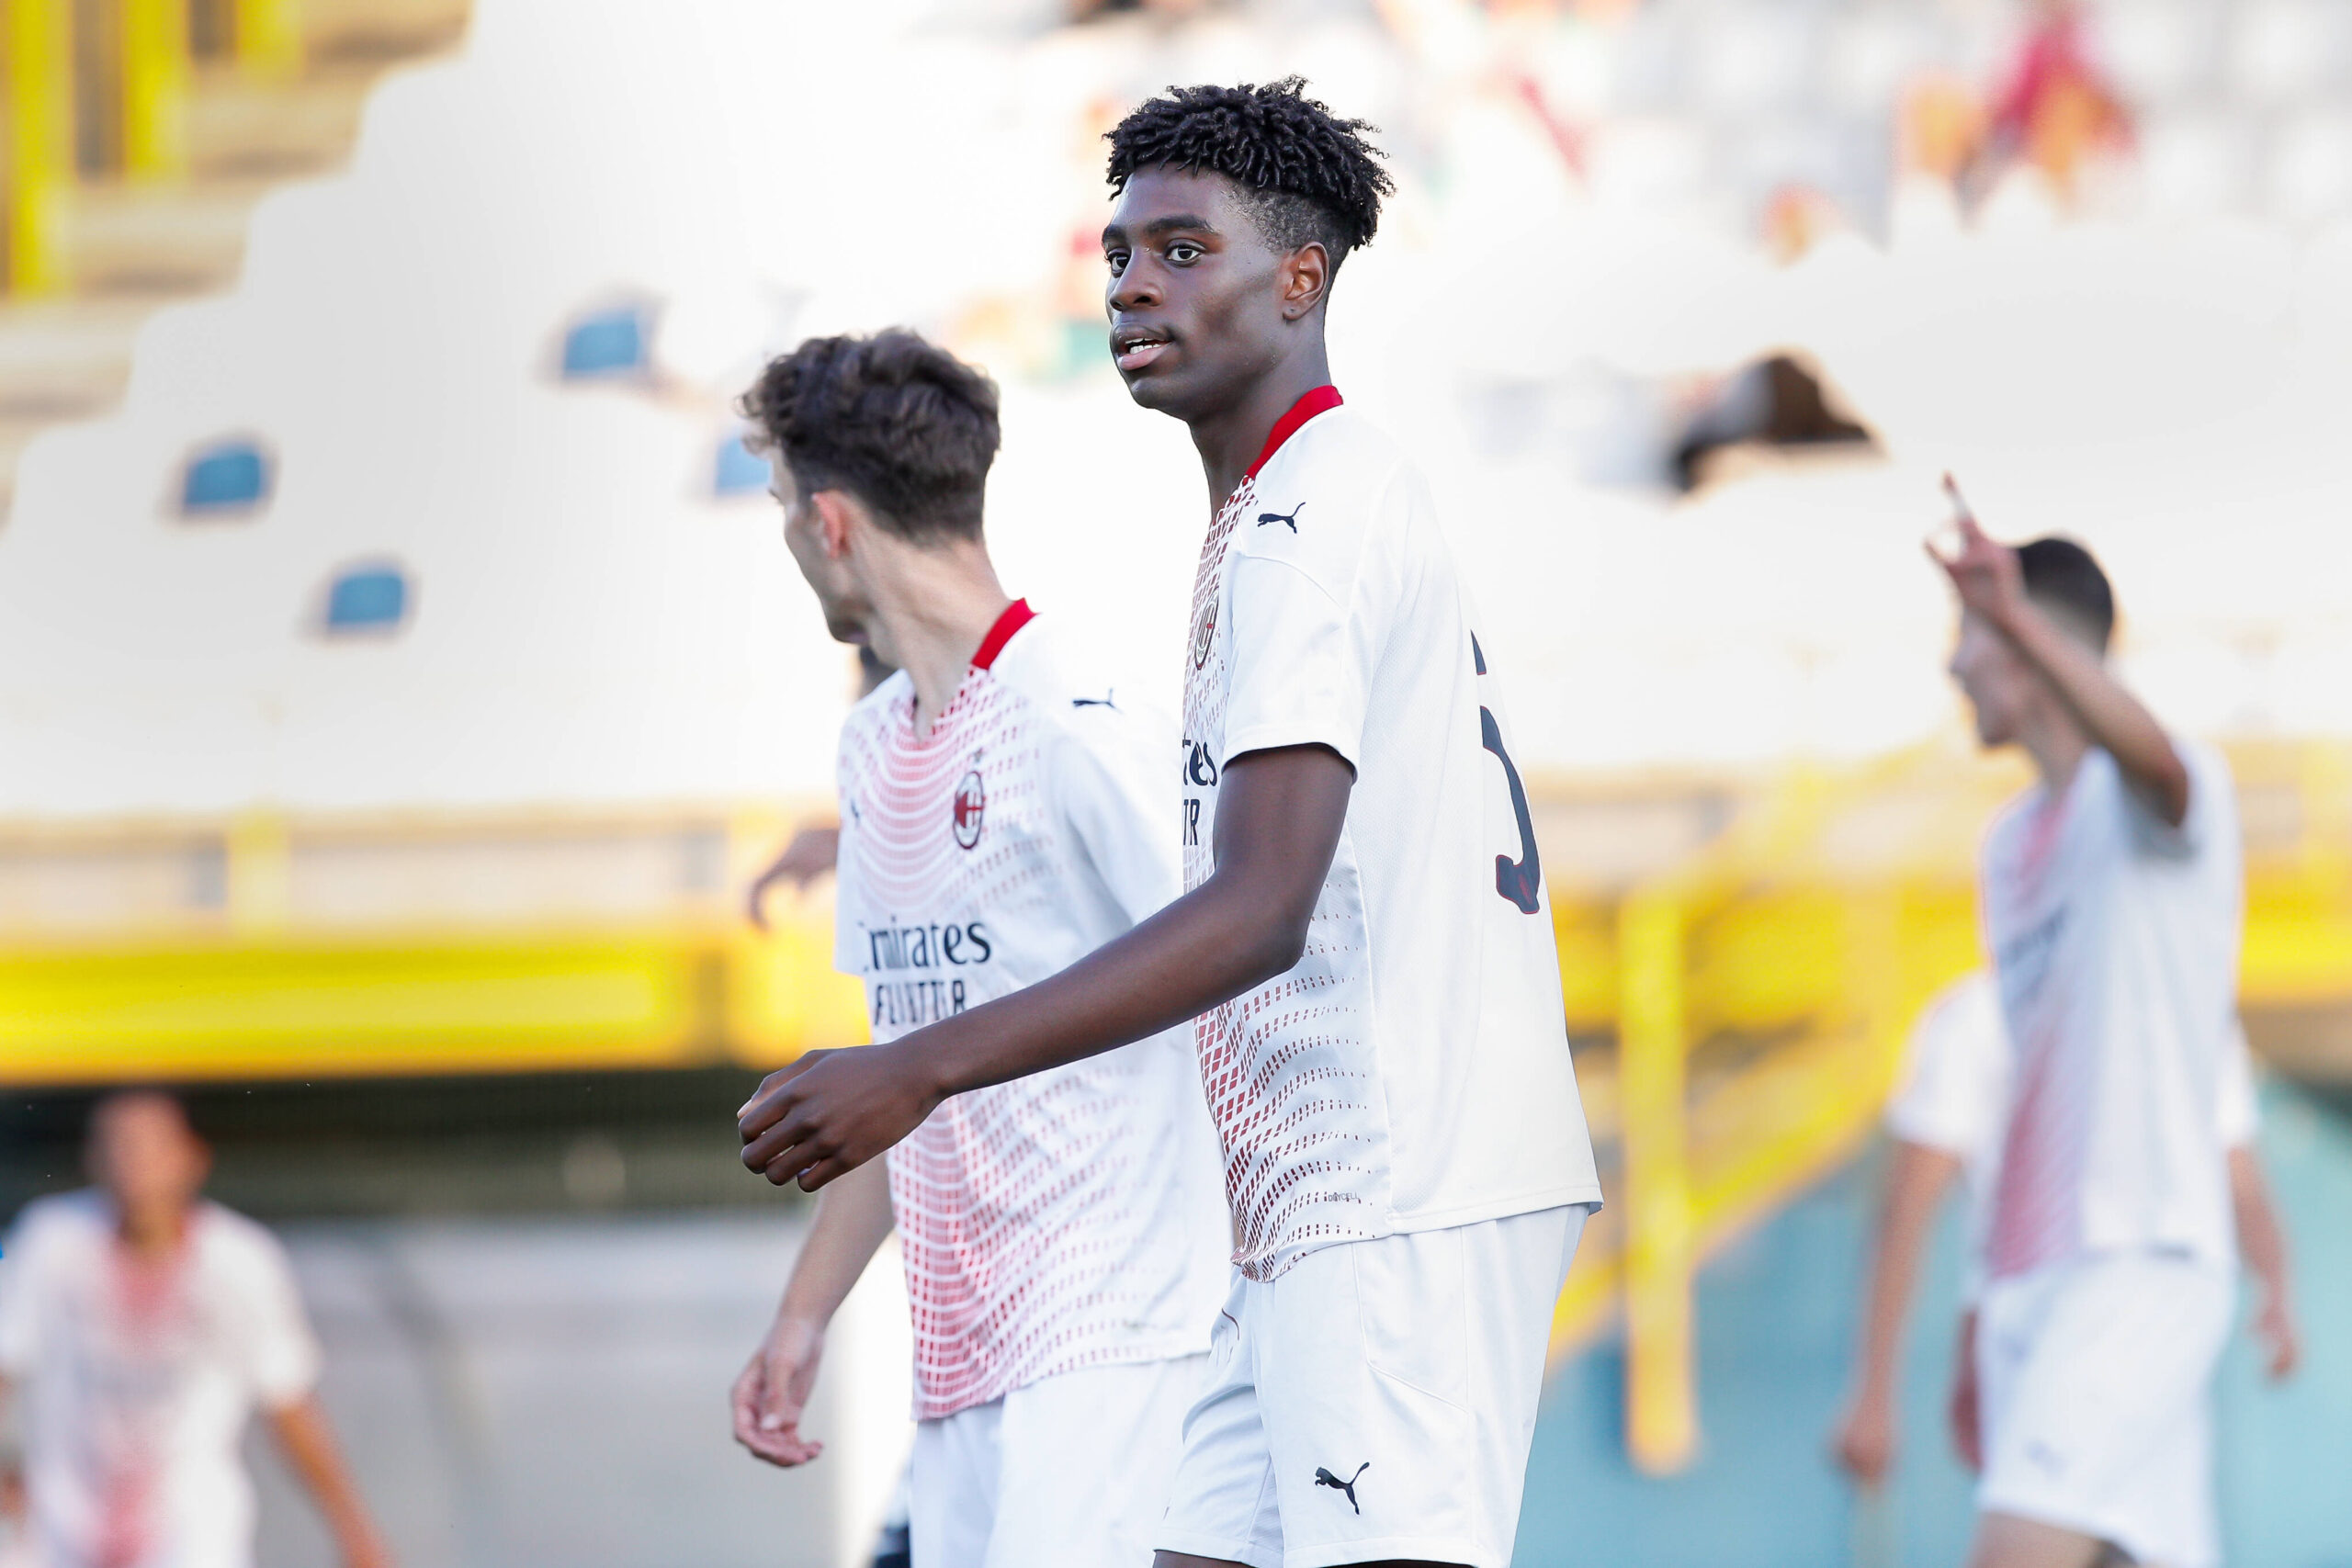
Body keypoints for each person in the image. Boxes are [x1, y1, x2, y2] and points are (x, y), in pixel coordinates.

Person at [739, 79, 1601, 1568]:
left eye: (1185, 250)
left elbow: (1256, 911)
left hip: (1394, 1185)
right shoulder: (1275, 514)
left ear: (1300, 279)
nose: (1135, 282)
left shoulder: (1305, 526)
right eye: (1122, 251)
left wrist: (918, 1065)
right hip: (1298, 1209)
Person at [725, 329, 1230, 1568]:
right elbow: (902, 1075)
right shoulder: (871, 749)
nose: (787, 535)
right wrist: (804, 1315)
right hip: (958, 1368)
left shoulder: (1082, 720)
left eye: (783, 504)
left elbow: (1244, 971)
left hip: (1120, 1347)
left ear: (829, 522)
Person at [1927, 487, 2245, 1568]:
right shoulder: (2006, 844)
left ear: (2030, 648)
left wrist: (2010, 613)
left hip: (2133, 1267)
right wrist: (1980, 1305)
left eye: (1969, 637)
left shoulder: (2160, 795)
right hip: (2034, 1278)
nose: (1953, 666)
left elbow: (2154, 766)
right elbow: (2032, 1088)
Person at [1831, 971, 2300, 1490]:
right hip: (2033, 1332)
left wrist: (2278, 1289)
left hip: (2154, 1346)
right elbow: (1906, 1212)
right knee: (2045, 1517)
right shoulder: (1975, 1017)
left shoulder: (2191, 1010)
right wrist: (1873, 1391)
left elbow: (2242, 1182)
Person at [0, 1092, 390, 1568]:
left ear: (191, 1158)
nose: (133, 1165)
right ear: (93, 1159)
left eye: (150, 1148)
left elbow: (288, 1401)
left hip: (189, 1538)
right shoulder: (51, 1240)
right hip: (62, 1534)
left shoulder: (240, 1260)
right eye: (118, 1146)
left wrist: (354, 1530)